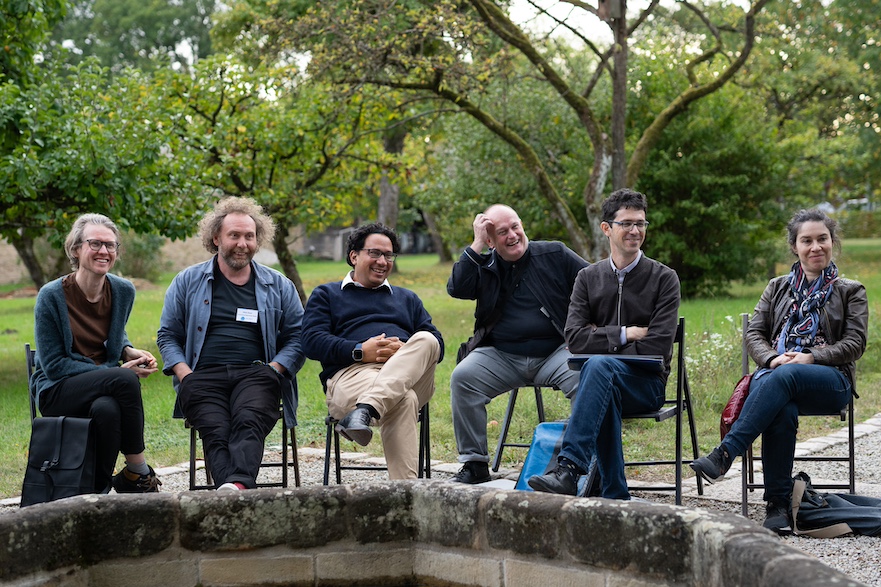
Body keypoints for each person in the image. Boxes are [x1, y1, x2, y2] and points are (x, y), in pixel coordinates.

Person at [691, 209, 867, 534]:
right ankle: (778, 506)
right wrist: (772, 359)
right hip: (778, 377)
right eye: (807, 240)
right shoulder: (777, 287)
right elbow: (753, 334)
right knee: (781, 405)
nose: (816, 247)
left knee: (784, 377)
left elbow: (855, 343)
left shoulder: (850, 290)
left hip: (830, 381)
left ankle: (725, 453)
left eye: (822, 239)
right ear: (795, 246)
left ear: (832, 242)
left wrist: (810, 357)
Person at [527, 188, 681, 500]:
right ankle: (614, 492)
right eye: (626, 224)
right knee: (601, 377)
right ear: (607, 228)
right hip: (603, 384)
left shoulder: (664, 278)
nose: (635, 231)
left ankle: (568, 469)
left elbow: (658, 346)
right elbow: (575, 337)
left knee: (598, 367)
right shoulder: (587, 278)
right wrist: (627, 333)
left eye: (640, 223)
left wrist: (601, 339)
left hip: (646, 384)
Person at [157, 196, 304, 491]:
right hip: (201, 376)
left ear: (258, 239)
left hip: (257, 374)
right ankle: (237, 487)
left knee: (249, 419)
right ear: (216, 238)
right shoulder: (187, 281)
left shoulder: (279, 285)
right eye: (234, 235)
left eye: (249, 236)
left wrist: (275, 370)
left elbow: (299, 336)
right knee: (216, 429)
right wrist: (186, 375)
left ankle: (230, 488)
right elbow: (167, 335)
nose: (242, 243)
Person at [447, 204, 588, 484]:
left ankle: (577, 466)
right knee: (463, 378)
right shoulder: (483, 264)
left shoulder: (554, 253)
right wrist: (475, 245)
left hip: (556, 351)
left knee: (587, 375)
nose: (512, 235)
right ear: (490, 241)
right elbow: (457, 288)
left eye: (515, 227)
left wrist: (584, 331)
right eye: (502, 232)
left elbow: (595, 283)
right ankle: (474, 465)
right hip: (501, 355)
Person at [302, 223, 444, 480]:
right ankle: (406, 494)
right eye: (375, 253)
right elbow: (311, 341)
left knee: (425, 339)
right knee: (405, 398)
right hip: (353, 376)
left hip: (409, 375)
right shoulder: (327, 294)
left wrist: (403, 351)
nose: (383, 261)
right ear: (354, 256)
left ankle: (365, 410)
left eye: (388, 255)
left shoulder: (407, 298)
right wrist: (359, 351)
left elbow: (438, 345)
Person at [32, 213, 162, 494]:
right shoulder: (51, 296)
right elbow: (54, 366)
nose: (104, 251)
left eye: (110, 245)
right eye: (95, 243)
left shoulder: (123, 291)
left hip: (103, 389)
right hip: (57, 390)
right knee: (125, 381)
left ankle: (99, 490)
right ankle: (139, 473)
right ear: (76, 249)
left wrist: (127, 351)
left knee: (108, 409)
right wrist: (114, 372)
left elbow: (110, 336)